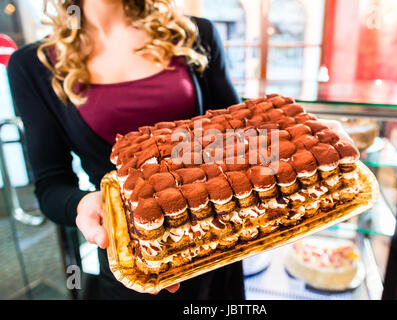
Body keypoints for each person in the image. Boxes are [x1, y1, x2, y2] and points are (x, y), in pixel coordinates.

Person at [7, 0, 244, 300]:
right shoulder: (33, 65)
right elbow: (51, 185)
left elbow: (236, 139)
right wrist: (84, 204)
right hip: (135, 262)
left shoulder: (194, 34)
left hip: (219, 245)